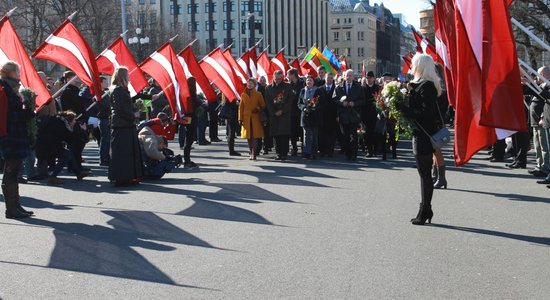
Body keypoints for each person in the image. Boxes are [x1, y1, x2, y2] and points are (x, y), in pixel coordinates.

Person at [395, 54, 441, 225]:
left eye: (413, 64)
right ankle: (425, 209)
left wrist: (404, 109)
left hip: (424, 134)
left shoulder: (427, 86)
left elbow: (426, 114)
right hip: (420, 133)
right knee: (423, 174)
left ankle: (425, 209)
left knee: (425, 174)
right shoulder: (423, 85)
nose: (411, 67)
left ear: (420, 66)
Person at [0, 61, 34, 218]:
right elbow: (6, 114)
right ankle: (11, 209)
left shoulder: (11, 88)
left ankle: (16, 205)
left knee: (15, 170)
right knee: (11, 171)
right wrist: (25, 113)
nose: (19, 75)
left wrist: (27, 111)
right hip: (10, 134)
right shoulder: (4, 88)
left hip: (16, 133)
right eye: (17, 72)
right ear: (10, 72)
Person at [108, 67, 144, 186]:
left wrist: (135, 110)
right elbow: (120, 109)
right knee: (122, 153)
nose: (129, 77)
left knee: (127, 153)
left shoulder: (122, 90)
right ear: (123, 76)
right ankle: (121, 177)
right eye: (127, 75)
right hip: (121, 126)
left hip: (125, 125)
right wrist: (133, 114)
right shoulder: (118, 90)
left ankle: (128, 176)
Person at [35, 111, 91, 186]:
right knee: (66, 155)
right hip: (47, 147)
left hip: (43, 146)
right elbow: (70, 139)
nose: (75, 122)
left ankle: (78, 173)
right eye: (74, 120)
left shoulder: (57, 121)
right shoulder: (61, 125)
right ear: (69, 120)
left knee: (68, 153)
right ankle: (53, 177)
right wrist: (82, 130)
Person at [334, 69, 365, 161]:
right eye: (346, 75)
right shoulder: (339, 87)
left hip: (354, 115)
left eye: (350, 75)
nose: (348, 77)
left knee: (353, 136)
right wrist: (341, 104)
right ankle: (347, 154)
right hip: (343, 115)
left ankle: (354, 154)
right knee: (345, 136)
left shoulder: (358, 87)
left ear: (353, 77)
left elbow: (363, 100)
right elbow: (334, 99)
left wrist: (354, 103)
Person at [265, 70, 294, 161]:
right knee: (276, 135)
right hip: (274, 115)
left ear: (282, 77)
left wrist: (282, 110)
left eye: (279, 78)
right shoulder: (268, 88)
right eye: (276, 78)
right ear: (273, 77)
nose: (277, 80)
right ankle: (278, 153)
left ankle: (284, 154)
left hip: (284, 115)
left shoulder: (287, 86)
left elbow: (290, 100)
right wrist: (274, 112)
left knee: (284, 135)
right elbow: (268, 102)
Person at [527, 66, 550, 178]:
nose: (537, 76)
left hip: (543, 120)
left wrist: (541, 117)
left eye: (539, 74)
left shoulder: (548, 85)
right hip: (536, 120)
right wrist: (527, 82)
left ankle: (545, 168)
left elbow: (545, 101)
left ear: (544, 75)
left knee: (544, 147)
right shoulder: (541, 85)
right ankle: (539, 165)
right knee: (537, 146)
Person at [239, 78, 266, 160]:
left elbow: (263, 105)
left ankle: (254, 153)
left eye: (251, 83)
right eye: (248, 83)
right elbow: (241, 107)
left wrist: (257, 108)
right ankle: (250, 151)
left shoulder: (258, 94)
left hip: (255, 118)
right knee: (248, 137)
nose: (249, 85)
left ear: (254, 85)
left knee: (255, 136)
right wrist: (240, 118)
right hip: (246, 118)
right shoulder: (243, 94)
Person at [298, 75, 321, 159]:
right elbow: (299, 102)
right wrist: (304, 108)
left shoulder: (318, 90)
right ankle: (306, 152)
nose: (309, 82)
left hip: (314, 115)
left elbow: (320, 102)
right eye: (307, 80)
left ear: (313, 82)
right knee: (306, 135)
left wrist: (313, 107)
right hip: (305, 115)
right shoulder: (303, 90)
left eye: (310, 80)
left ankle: (314, 152)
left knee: (314, 135)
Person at [318, 72, 337, 157]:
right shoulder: (320, 89)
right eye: (327, 78)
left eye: (330, 78)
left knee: (332, 134)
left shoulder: (336, 89)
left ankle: (330, 151)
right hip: (322, 114)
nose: (329, 79)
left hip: (333, 115)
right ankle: (323, 150)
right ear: (324, 78)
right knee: (322, 133)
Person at [362, 71, 380, 157]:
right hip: (365, 113)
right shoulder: (363, 88)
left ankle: (375, 149)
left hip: (375, 113)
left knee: (374, 132)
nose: (368, 79)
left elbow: (380, 99)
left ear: (373, 78)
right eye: (367, 78)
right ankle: (369, 149)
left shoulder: (377, 88)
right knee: (367, 132)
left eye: (370, 78)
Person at [287, 68, 305, 156]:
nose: (287, 77)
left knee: (301, 130)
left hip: (301, 110)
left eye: (288, 75)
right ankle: (294, 148)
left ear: (293, 75)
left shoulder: (302, 83)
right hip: (291, 111)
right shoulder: (288, 85)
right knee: (292, 130)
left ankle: (303, 148)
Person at [96, 76, 111, 166]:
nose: (106, 84)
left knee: (107, 139)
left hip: (107, 118)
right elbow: (104, 106)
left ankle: (106, 157)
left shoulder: (105, 93)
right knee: (105, 139)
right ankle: (103, 158)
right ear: (100, 83)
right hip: (103, 118)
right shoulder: (99, 94)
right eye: (105, 82)